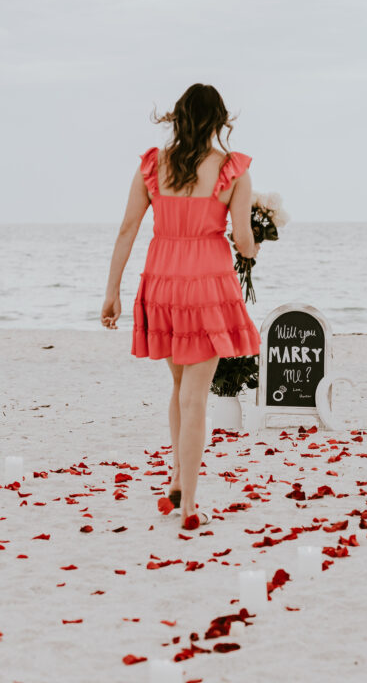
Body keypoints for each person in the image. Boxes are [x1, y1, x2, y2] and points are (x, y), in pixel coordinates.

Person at [101, 84, 260, 528]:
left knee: (179, 389)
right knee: (195, 399)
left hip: (163, 284)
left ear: (177, 117)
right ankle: (189, 506)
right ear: (219, 121)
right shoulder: (232, 170)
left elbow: (127, 230)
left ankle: (176, 479)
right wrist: (253, 250)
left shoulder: (153, 165)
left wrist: (111, 293)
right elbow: (244, 241)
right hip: (207, 286)